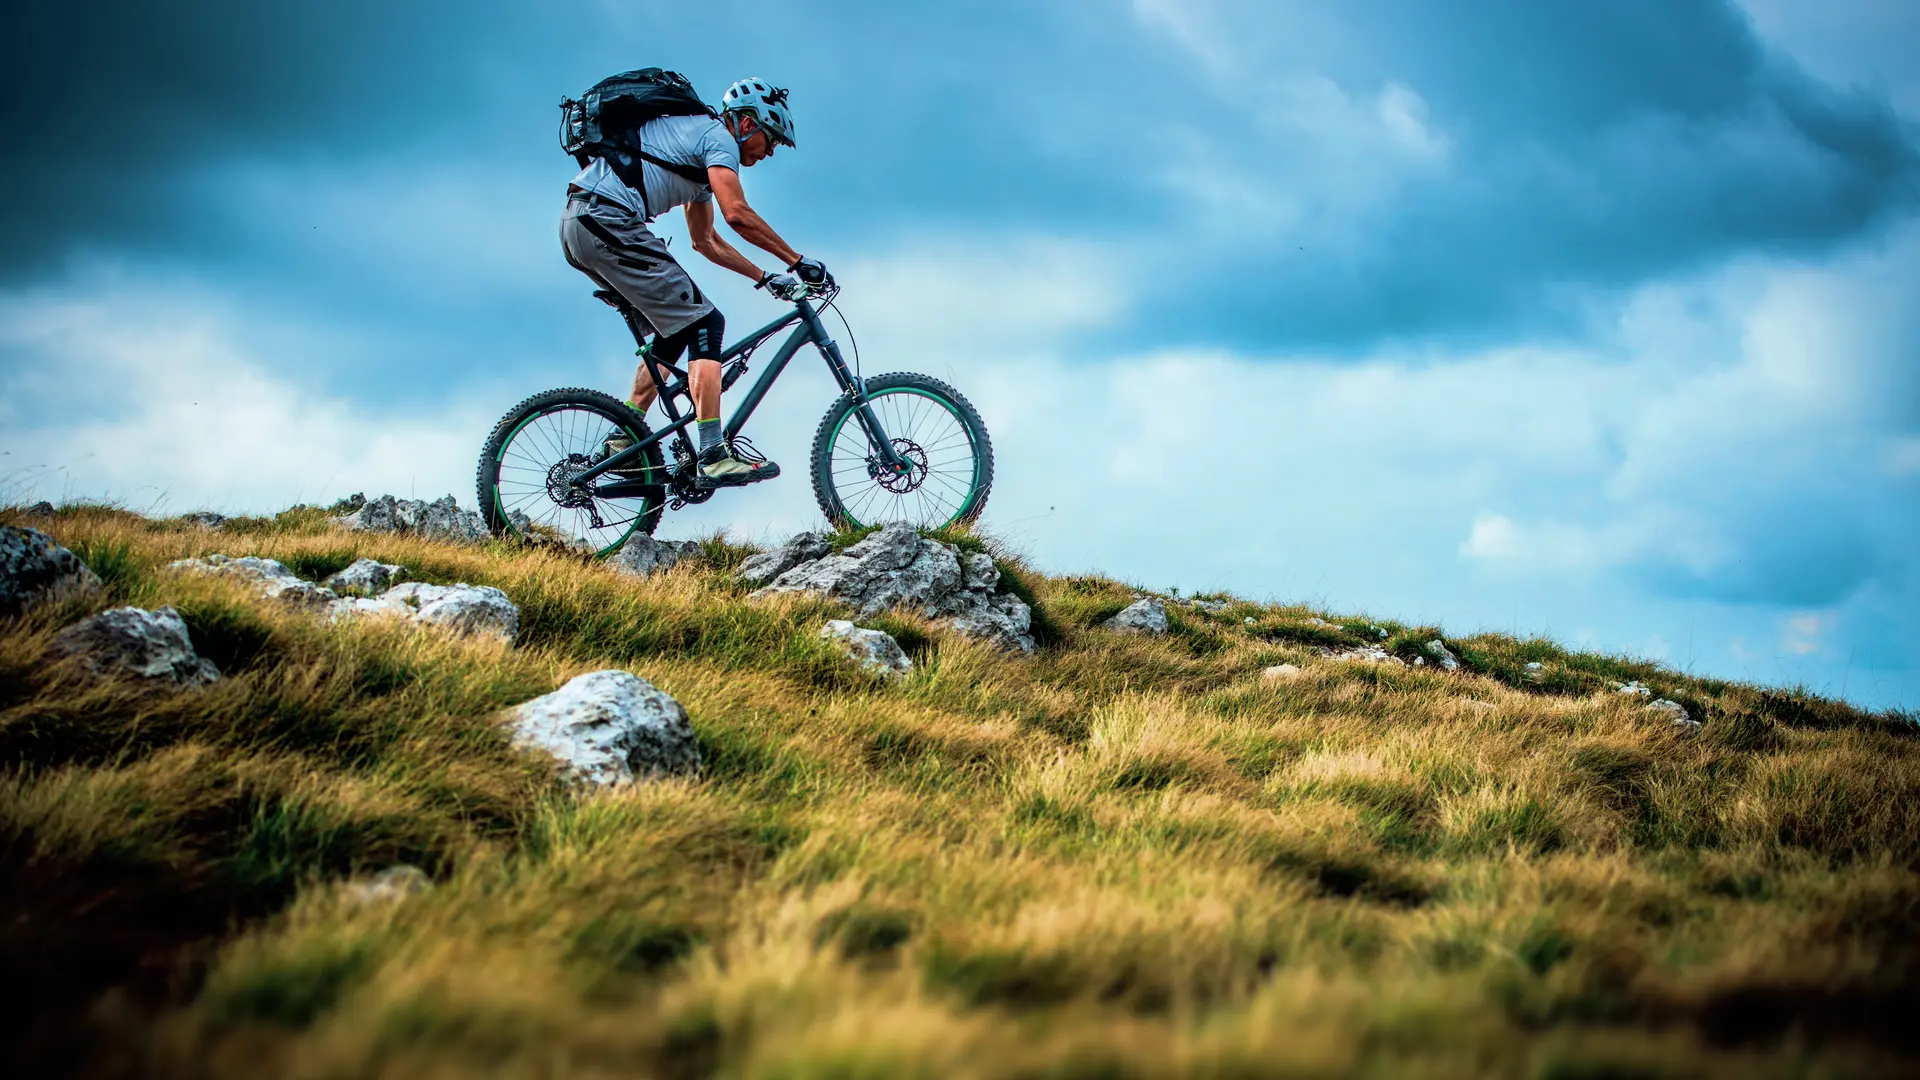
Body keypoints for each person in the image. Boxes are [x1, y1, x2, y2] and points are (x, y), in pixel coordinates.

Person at [560, 77, 832, 488]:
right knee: (707, 323)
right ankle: (712, 454)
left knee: (678, 327)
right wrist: (797, 261)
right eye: (770, 139)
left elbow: (705, 241)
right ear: (746, 125)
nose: (770, 152)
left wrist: (765, 278)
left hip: (583, 224)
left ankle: (623, 437)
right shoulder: (716, 137)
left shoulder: (699, 151)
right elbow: (737, 213)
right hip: (607, 219)